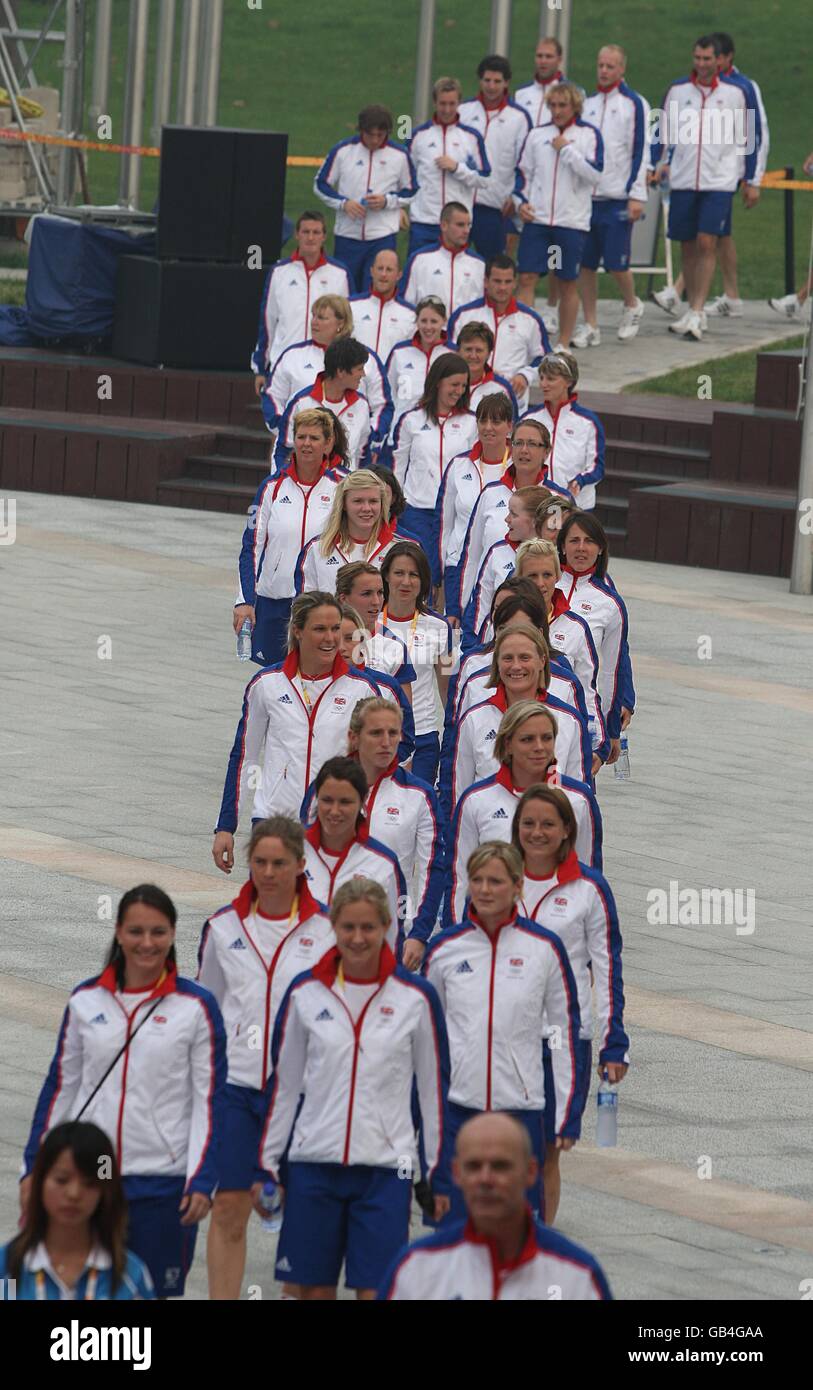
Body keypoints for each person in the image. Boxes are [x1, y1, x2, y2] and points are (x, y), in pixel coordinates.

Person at [22, 885, 226, 1299]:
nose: (146, 943)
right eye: (136, 932)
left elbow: (211, 1100)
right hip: (95, 1174)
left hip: (163, 1181)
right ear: (117, 932)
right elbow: (60, 1088)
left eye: (157, 932)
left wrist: (202, 1179)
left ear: (171, 935)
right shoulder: (86, 1000)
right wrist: (34, 1167)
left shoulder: (197, 1007)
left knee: (153, 1290)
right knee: (86, 1287)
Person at [254, 877, 451, 1299]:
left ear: (385, 928)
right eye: (348, 927)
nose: (358, 938)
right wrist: (267, 1162)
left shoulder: (416, 998)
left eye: (368, 928)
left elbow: (432, 1094)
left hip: (385, 1170)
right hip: (313, 1163)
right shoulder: (306, 993)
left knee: (377, 1292)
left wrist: (437, 1173)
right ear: (334, 927)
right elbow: (284, 1087)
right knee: (310, 1291)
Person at [197, 816, 334, 1300]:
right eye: (260, 862)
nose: (269, 872)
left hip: (302, 1093)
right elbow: (205, 1014)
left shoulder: (327, 933)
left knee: (301, 1217)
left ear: (301, 865)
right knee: (229, 1207)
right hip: (236, 1089)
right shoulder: (222, 927)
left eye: (280, 863)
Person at [423, 844, 583, 1225]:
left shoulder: (544, 948)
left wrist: (566, 1114)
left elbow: (564, 1031)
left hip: (521, 1107)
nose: (484, 889)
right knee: (456, 1233)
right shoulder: (444, 950)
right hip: (459, 1107)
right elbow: (427, 1037)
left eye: (495, 881)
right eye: (477, 880)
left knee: (516, 1231)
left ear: (517, 886)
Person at [512, 786, 628, 1220]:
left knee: (546, 1149)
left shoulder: (589, 889)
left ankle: (535, 1243)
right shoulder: (500, 878)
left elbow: (607, 966)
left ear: (566, 831)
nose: (537, 833)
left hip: (564, 1040)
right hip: (504, 1037)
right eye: (528, 823)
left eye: (547, 824)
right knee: (505, 1145)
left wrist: (613, 1041)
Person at [213, 592, 381, 866]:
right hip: (273, 820)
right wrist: (225, 826)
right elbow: (245, 755)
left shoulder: (362, 688)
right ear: (298, 631)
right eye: (319, 629)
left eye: (335, 629)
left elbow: (374, 764)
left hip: (334, 823)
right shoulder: (267, 684)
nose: (330, 638)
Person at [378, 1112, 612, 1300]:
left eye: (500, 1166)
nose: (486, 1179)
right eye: (474, 1166)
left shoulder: (578, 1276)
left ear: (531, 1172)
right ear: (457, 1174)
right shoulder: (415, 1269)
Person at [302, 697, 445, 970]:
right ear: (354, 737)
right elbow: (305, 854)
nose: (386, 742)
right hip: (319, 928)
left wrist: (418, 934)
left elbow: (433, 868)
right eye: (376, 733)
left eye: (393, 733)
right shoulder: (327, 786)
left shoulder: (418, 795)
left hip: (385, 930)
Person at [448, 702, 602, 926]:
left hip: (560, 931)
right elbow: (458, 877)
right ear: (508, 744)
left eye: (547, 738)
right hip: (493, 932)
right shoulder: (476, 800)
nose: (539, 747)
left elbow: (589, 878)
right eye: (527, 739)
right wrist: (459, 937)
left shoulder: (578, 800)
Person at [649, 35, 758, 341]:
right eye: (697, 58)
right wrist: (654, 164)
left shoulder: (737, 93)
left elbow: (750, 137)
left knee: (708, 242)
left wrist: (750, 179)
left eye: (707, 59)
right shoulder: (677, 91)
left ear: (718, 60)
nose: (702, 64)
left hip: (719, 181)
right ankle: (691, 306)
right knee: (687, 244)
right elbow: (661, 131)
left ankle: (698, 310)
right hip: (684, 179)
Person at [233, 409, 348, 668]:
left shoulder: (342, 487)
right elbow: (251, 547)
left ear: (328, 444)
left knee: (317, 677)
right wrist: (244, 601)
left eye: (315, 438)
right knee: (273, 680)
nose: (307, 443)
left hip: (322, 602)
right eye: (301, 436)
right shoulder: (271, 488)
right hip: (274, 600)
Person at [444, 622, 590, 815]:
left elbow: (579, 799)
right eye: (507, 658)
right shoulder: (474, 719)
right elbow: (457, 795)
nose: (516, 666)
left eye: (525, 657)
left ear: (542, 661)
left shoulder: (569, 720)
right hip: (490, 838)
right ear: (496, 663)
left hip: (548, 838)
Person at [4, 1122, 154, 1301]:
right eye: (62, 1180)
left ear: (104, 1191)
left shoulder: (130, 1276)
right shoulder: (8, 1269)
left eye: (89, 1183)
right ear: (40, 1183)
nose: (74, 1194)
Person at [515, 83, 604, 350]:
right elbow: (523, 174)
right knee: (527, 277)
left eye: (562, 105)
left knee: (566, 281)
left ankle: (563, 344)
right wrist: (521, 201)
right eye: (552, 105)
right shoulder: (536, 135)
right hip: (538, 221)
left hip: (570, 223)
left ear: (574, 106)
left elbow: (595, 174)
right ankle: (523, 340)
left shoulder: (588, 134)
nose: (556, 111)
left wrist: (566, 150)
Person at [573, 46, 650, 347]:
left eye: (610, 66)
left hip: (618, 196)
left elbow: (640, 150)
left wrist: (636, 194)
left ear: (622, 68)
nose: (604, 71)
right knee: (586, 264)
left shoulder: (634, 104)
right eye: (600, 64)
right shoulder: (587, 104)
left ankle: (631, 303)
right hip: (587, 198)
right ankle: (590, 323)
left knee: (617, 263)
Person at [298, 756, 413, 953]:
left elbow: (393, 941)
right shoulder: (291, 852)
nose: (334, 811)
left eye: (345, 802)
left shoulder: (384, 864)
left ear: (362, 802)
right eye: (327, 800)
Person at [457, 418, 563, 615]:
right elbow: (471, 555)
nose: (524, 450)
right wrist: (459, 609)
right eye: (518, 443)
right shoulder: (491, 493)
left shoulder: (557, 501)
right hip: (489, 603)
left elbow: (560, 557)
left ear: (546, 452)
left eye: (532, 444)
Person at [391, 353, 477, 580]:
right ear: (438, 381)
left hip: (456, 511)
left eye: (463, 386)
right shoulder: (411, 420)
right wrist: (396, 504)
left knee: (452, 571)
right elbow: (397, 467)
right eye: (454, 384)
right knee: (421, 572)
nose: (459, 390)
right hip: (417, 510)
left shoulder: (471, 422)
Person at [266, 302, 391, 456]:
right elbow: (273, 397)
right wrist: (283, 426)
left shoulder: (361, 403)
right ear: (340, 371)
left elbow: (382, 406)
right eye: (314, 316)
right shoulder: (299, 390)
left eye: (322, 317)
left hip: (348, 474)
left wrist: (374, 439)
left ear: (341, 323)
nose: (314, 322)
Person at [314, 104, 417, 292]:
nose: (375, 140)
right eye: (370, 135)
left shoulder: (400, 155)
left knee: (378, 292)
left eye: (381, 135)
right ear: (361, 130)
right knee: (344, 293)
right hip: (347, 236)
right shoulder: (343, 150)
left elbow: (413, 190)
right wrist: (344, 204)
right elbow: (320, 184)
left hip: (382, 237)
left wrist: (387, 202)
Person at [379, 541, 458, 786]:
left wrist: (450, 737)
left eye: (413, 575)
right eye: (399, 573)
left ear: (423, 581)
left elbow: (447, 690)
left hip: (422, 736)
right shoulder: (366, 624)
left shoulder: (441, 627)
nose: (406, 582)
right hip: (375, 734)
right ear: (386, 577)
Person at [556, 511, 633, 754]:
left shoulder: (610, 603)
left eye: (589, 541)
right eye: (574, 540)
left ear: (600, 549)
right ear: (562, 546)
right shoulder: (542, 585)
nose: (581, 548)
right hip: (532, 704)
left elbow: (613, 669)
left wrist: (611, 731)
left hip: (582, 710)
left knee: (578, 788)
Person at [251, 211, 350, 390]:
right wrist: (260, 368)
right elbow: (267, 322)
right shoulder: (279, 272)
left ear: (324, 236)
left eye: (316, 232)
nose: (310, 237)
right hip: (283, 365)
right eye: (305, 232)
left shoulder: (340, 274)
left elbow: (348, 324)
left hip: (325, 368)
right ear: (297, 234)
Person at [438, 391, 514, 622]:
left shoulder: (516, 466)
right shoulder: (459, 466)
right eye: (483, 420)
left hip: (502, 568)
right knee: (455, 640)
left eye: (496, 421)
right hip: (457, 567)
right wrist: (441, 574)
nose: (488, 427)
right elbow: (443, 524)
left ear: (509, 426)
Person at [449, 255, 550, 412]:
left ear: (515, 283)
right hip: (466, 401)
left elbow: (544, 358)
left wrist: (525, 376)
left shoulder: (531, 319)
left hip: (511, 403)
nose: (502, 287)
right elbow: (449, 354)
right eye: (497, 281)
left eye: (508, 282)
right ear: (485, 282)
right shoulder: (463, 315)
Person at [458, 55, 532, 258]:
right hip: (460, 203)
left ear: (506, 82)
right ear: (480, 80)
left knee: (494, 270)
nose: (491, 86)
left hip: (494, 207)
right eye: (487, 80)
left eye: (497, 81)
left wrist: (516, 195)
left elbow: (525, 164)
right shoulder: (462, 111)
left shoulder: (519, 118)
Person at [406, 77, 490, 254]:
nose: (447, 109)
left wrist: (457, 168)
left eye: (452, 104)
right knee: (418, 276)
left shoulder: (472, 137)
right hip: (424, 221)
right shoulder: (418, 136)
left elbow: (485, 180)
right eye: (442, 103)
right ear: (434, 102)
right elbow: (404, 177)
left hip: (457, 225)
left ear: (459, 102)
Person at [275, 338, 384, 471]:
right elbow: (283, 451)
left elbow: (363, 455)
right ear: (341, 372)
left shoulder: (362, 405)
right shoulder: (301, 402)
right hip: (307, 489)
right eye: (359, 369)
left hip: (347, 489)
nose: (363, 374)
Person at [462, 485, 544, 646]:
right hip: (495, 649)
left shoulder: (555, 559)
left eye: (513, 514)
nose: (506, 519)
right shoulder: (497, 552)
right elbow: (479, 606)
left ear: (535, 521)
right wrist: (470, 650)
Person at [523, 350, 605, 509]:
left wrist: (580, 481)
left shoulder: (588, 422)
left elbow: (597, 467)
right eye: (541, 378)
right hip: (537, 505)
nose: (543, 384)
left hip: (576, 506)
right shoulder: (529, 419)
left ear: (568, 381)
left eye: (551, 379)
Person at [294, 469, 397, 591]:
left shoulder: (397, 548)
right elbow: (305, 606)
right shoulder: (316, 549)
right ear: (343, 505)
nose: (366, 508)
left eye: (373, 501)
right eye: (358, 501)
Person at [334, 561, 416, 693]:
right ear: (343, 598)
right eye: (366, 594)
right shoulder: (323, 641)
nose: (376, 602)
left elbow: (403, 710)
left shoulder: (395, 646)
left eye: (380, 593)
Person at [402, 202, 487, 320]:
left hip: (465, 336)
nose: (466, 230)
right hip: (429, 335)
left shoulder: (479, 264)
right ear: (444, 225)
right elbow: (404, 306)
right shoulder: (419, 259)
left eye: (469, 225)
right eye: (460, 225)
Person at [385, 294, 449, 429]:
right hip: (400, 430)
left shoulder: (453, 353)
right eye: (423, 321)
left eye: (434, 321)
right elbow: (386, 395)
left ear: (444, 321)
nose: (428, 327)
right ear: (416, 321)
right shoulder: (400, 352)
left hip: (439, 431)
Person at [351, 248, 417, 361]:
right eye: (380, 268)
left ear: (399, 275)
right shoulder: (351, 306)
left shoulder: (411, 315)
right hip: (356, 376)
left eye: (389, 269)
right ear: (372, 271)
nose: (383, 274)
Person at [455, 321, 519, 415]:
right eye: (468, 349)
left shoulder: (502, 389)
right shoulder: (444, 383)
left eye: (479, 350)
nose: (473, 356)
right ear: (458, 351)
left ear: (489, 354)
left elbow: (512, 426)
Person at [514, 36, 567, 130]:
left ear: (559, 60)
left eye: (549, 56)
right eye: (539, 56)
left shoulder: (572, 92)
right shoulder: (520, 93)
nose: (543, 61)